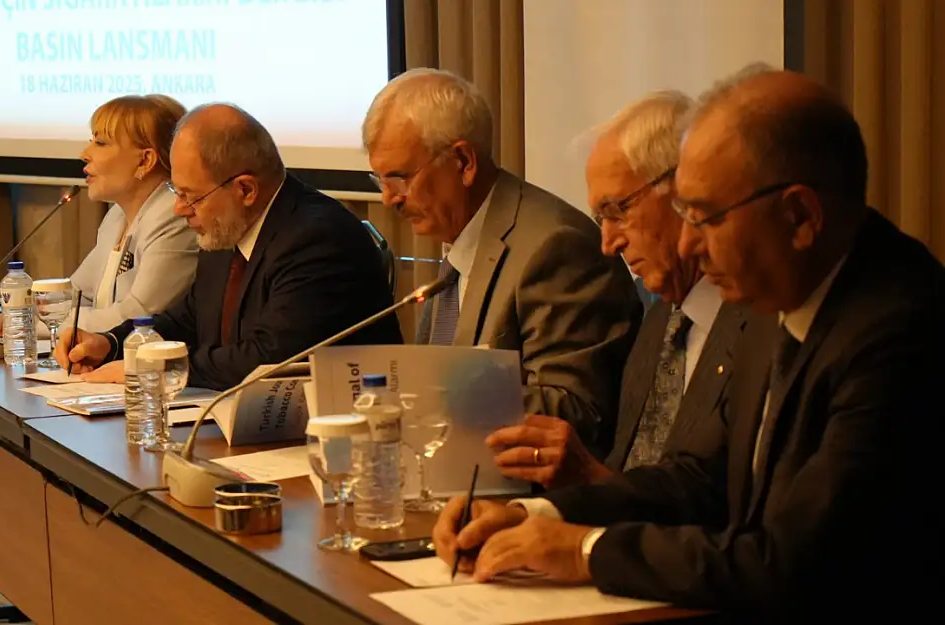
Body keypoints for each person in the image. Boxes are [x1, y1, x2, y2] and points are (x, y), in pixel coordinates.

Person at [431, 66, 943, 618]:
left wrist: (585, 550)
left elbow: (790, 563)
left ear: (799, 217)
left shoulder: (899, 331)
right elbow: (699, 478)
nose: (690, 244)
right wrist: (538, 516)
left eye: (706, 218)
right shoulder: (779, 290)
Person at [364, 68, 642, 458]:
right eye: (380, 181)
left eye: (399, 179)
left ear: (463, 162)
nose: (389, 199)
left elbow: (577, 412)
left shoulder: (556, 247)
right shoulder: (461, 243)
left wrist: (432, 398)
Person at [485, 91, 752, 488]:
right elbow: (624, 476)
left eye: (617, 211)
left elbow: (720, 507)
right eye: (600, 219)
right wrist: (533, 511)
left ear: (681, 191)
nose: (609, 244)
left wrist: (590, 481)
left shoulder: (761, 326)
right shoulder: (658, 322)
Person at [56, 103, 403, 389]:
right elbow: (188, 319)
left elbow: (268, 359)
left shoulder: (317, 238)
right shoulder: (227, 227)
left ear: (245, 190)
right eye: (177, 192)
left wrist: (155, 366)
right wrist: (112, 343)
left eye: (191, 196)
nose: (179, 209)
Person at [0, 94, 198, 337]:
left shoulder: (173, 217)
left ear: (145, 160)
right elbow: (77, 294)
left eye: (101, 143)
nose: (84, 154)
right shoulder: (117, 216)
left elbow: (138, 316)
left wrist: (29, 324)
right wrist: (23, 313)